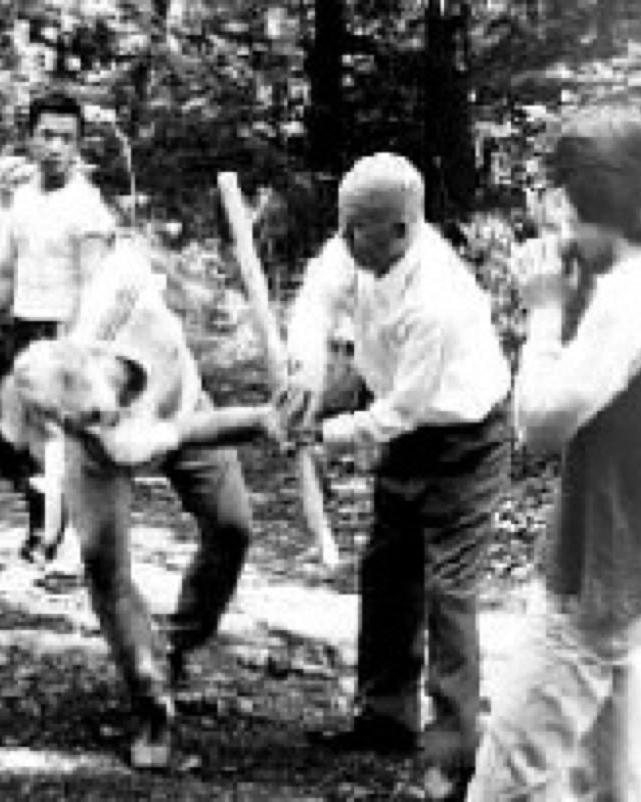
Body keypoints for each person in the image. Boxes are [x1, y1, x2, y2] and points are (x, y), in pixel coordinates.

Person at [466, 107, 641, 801]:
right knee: (608, 783)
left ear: (589, 200)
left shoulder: (637, 292)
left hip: (592, 577)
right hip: (640, 575)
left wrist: (544, 310)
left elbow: (541, 423)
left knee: (507, 782)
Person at [278, 152, 512, 800]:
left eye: (357, 230)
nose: (345, 241)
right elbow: (314, 306)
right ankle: (383, 718)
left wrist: (321, 436)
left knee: (449, 593)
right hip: (405, 437)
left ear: (401, 229)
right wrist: (305, 372)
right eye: (343, 227)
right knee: (388, 571)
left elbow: (402, 409)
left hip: (465, 440)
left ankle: (453, 759)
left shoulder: (438, 296)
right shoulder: (352, 245)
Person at [0, 242, 257, 769]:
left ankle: (180, 645)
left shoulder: (110, 314)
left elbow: (129, 255)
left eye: (72, 422)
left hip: (185, 406)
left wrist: (154, 261)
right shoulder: (108, 438)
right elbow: (230, 426)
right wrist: (267, 420)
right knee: (104, 568)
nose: (69, 431)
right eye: (60, 427)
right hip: (152, 435)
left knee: (232, 529)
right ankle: (151, 703)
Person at [0, 89, 116, 556]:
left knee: (59, 442)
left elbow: (95, 287)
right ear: (30, 138)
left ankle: (47, 540)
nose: (55, 147)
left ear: (78, 145)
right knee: (8, 433)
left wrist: (77, 347)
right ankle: (48, 527)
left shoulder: (87, 206)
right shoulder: (23, 199)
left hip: (67, 334)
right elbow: (7, 274)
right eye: (46, 135)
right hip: (23, 330)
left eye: (67, 138)